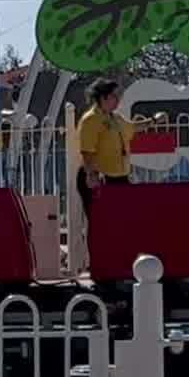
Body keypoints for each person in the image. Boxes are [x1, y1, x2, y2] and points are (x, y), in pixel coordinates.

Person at [71, 76, 131, 261]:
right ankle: (99, 262)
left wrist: (153, 121)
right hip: (98, 176)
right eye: (114, 96)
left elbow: (132, 128)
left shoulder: (114, 118)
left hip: (118, 177)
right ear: (103, 98)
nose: (117, 100)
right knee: (100, 223)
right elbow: (87, 151)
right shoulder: (91, 119)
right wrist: (92, 175)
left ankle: (118, 259)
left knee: (120, 222)